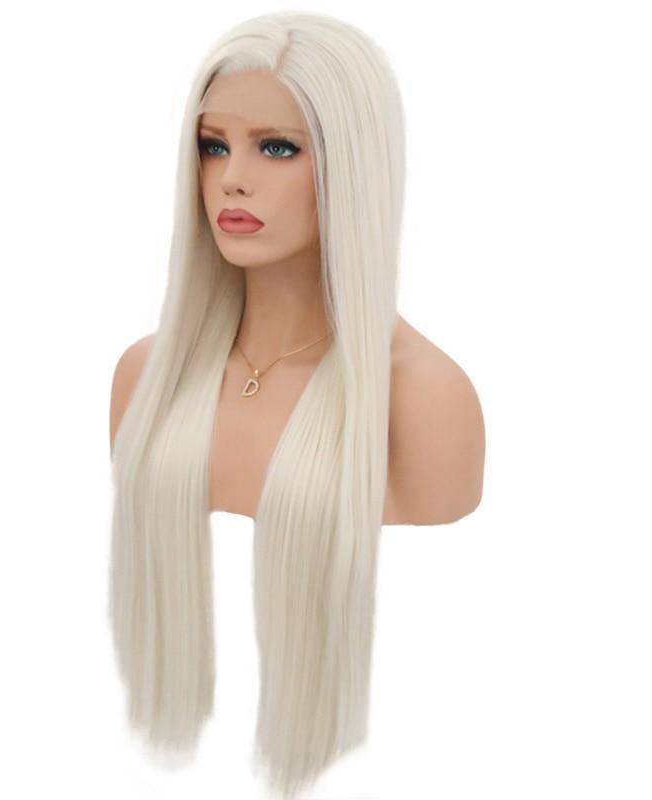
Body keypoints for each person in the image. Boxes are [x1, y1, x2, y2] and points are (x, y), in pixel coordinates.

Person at [108, 11, 485, 799]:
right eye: (214, 145)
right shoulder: (146, 379)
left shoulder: (423, 399)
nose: (232, 179)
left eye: (276, 147)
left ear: (353, 163)